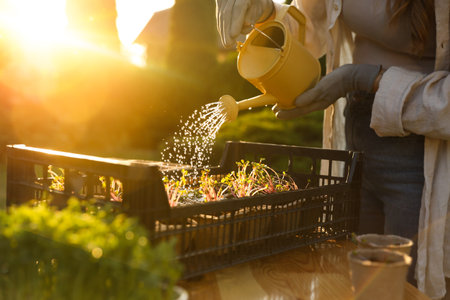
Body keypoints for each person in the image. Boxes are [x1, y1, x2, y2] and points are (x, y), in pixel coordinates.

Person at [215, 0, 449, 299]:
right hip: (356, 136)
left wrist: (365, 78)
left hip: (424, 151)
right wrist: (267, 16)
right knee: (348, 283)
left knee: (402, 288)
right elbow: (311, 28)